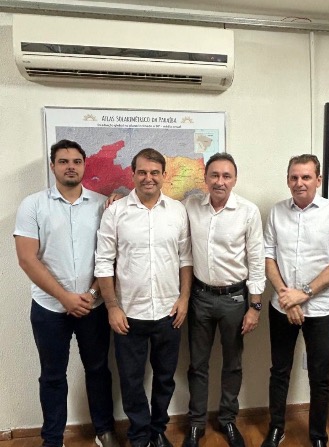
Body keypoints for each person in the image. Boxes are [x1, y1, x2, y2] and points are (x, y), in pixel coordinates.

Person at [14, 139, 118, 447]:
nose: (70, 166)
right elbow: (27, 259)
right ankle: (52, 438)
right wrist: (65, 297)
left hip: (93, 306)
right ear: (53, 166)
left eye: (76, 161)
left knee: (98, 370)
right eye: (63, 161)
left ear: (84, 166)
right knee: (52, 376)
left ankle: (104, 430)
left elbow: (111, 256)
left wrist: (90, 293)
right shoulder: (33, 205)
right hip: (49, 308)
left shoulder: (103, 205)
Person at [95, 148, 193, 447]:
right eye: (142, 172)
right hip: (128, 314)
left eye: (154, 172)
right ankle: (139, 435)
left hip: (168, 312)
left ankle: (158, 430)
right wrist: (112, 307)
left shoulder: (177, 211)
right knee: (131, 380)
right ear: (133, 174)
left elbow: (185, 259)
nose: (148, 178)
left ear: (164, 175)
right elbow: (103, 263)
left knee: (165, 378)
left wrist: (184, 299)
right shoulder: (116, 212)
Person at [262, 154, 329, 447]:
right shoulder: (277, 212)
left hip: (321, 309)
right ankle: (276, 428)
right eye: (294, 177)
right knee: (279, 371)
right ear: (288, 180)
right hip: (282, 307)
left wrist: (304, 294)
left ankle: (318, 435)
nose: (299, 183)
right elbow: (268, 256)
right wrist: (288, 298)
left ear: (318, 180)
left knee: (320, 376)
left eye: (306, 177)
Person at [181, 153, 265, 447]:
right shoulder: (190, 206)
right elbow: (159, 209)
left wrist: (255, 306)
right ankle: (196, 423)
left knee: (233, 364)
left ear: (234, 179)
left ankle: (227, 419)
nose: (220, 181)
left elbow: (256, 260)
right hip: (200, 298)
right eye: (214, 175)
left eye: (226, 176)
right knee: (197, 365)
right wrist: (118, 196)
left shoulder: (248, 211)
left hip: (235, 300)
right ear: (205, 178)